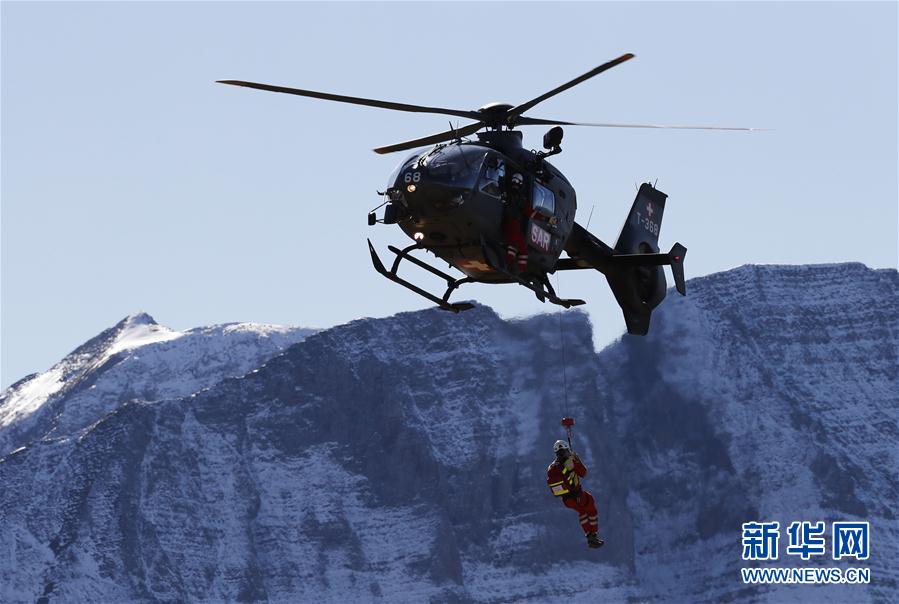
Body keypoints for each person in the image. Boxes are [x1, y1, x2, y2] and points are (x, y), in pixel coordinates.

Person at [546, 440, 603, 548]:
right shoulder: (570, 462)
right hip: (577, 495)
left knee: (582, 511)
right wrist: (576, 460)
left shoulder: (551, 467)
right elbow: (583, 473)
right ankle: (593, 534)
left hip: (566, 500)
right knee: (590, 505)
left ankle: (589, 536)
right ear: (567, 449)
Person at [501, 172, 530, 274]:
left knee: (523, 250)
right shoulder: (509, 193)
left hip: (514, 223)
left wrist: (546, 219)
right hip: (510, 222)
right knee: (513, 244)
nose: (515, 183)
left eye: (517, 182)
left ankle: (519, 270)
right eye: (514, 181)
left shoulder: (519, 198)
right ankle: (510, 265)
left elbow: (529, 211)